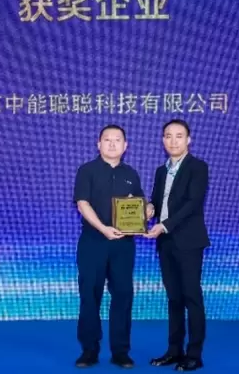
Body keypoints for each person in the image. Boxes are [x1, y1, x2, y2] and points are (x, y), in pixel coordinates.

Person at [73, 124, 146, 369]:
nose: (112, 144)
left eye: (117, 140)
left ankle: (121, 352)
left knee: (123, 296)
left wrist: (148, 209)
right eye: (107, 139)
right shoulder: (87, 170)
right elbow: (82, 204)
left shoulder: (131, 173)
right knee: (89, 295)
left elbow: (138, 203)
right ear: (99, 144)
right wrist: (103, 228)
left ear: (126, 146)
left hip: (123, 246)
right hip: (93, 242)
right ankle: (89, 351)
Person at [144, 119, 210, 371]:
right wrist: (149, 208)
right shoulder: (161, 171)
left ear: (188, 140)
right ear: (163, 140)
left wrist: (164, 225)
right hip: (166, 243)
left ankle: (194, 354)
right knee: (173, 298)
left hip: (189, 242)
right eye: (168, 136)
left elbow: (193, 203)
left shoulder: (198, 167)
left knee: (191, 296)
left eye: (179, 136)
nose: (173, 141)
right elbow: (156, 201)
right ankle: (174, 351)